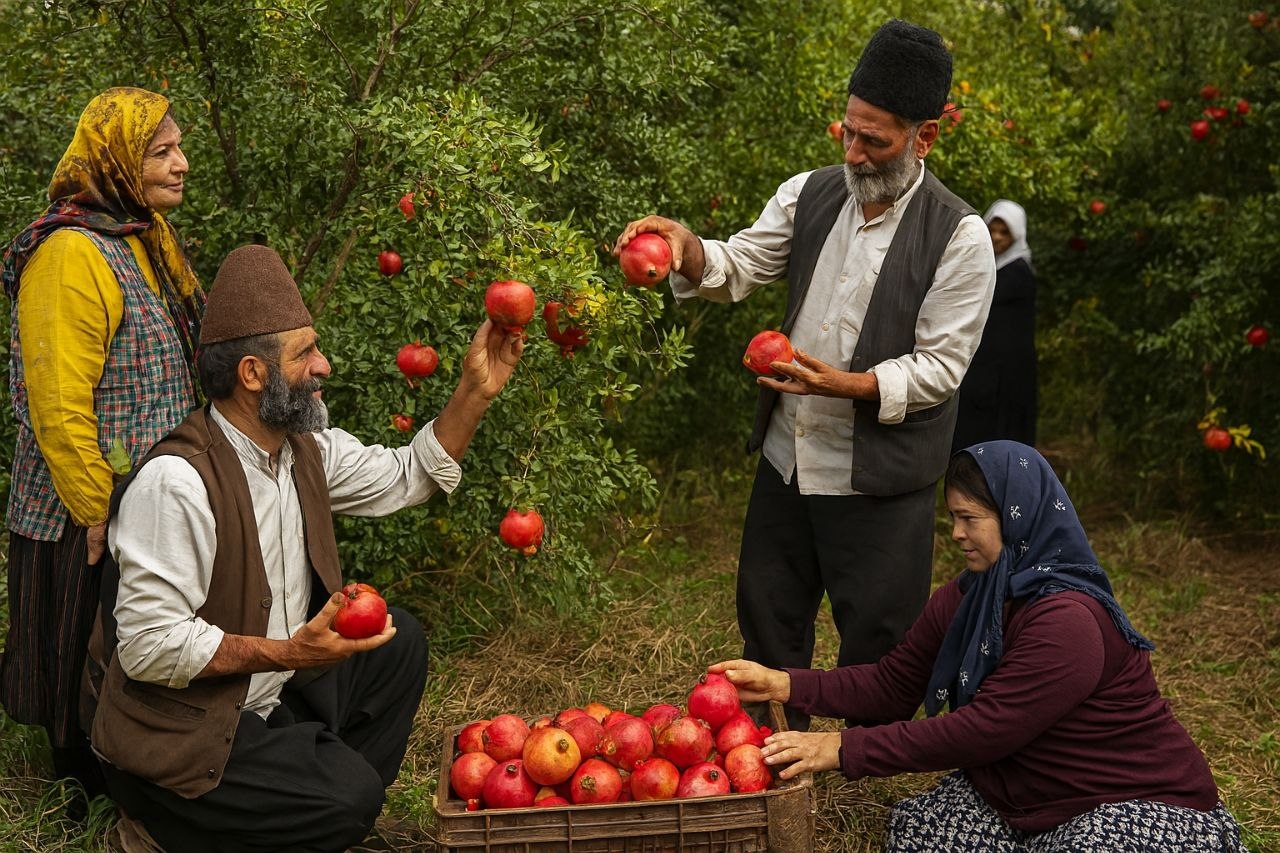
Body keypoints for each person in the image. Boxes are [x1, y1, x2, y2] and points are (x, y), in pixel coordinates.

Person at [614, 20, 995, 729]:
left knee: (879, 637)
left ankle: (861, 757)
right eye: (846, 132)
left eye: (874, 140)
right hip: (790, 457)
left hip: (880, 473)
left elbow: (941, 367)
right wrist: (687, 247)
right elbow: (739, 265)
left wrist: (845, 386)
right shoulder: (811, 193)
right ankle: (767, 748)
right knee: (769, 611)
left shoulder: (960, 236)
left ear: (926, 137)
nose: (853, 152)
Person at [86, 244, 524, 852]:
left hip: (269, 695)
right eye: (305, 353)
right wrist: (289, 650)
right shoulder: (178, 483)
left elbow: (408, 475)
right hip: (186, 734)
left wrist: (475, 391)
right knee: (350, 798)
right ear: (252, 374)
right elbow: (147, 648)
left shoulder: (303, 451)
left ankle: (304, 809)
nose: (324, 365)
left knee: (400, 644)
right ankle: (164, 828)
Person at [709, 441, 1249, 852]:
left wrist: (844, 750)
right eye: (953, 518)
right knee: (918, 831)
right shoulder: (972, 594)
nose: (958, 534)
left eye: (972, 519)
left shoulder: (1068, 621)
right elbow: (894, 683)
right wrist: (786, 683)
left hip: (1128, 800)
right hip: (1028, 797)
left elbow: (986, 730)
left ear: (1019, 519)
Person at [0, 86, 203, 802]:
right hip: (83, 503)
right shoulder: (68, 255)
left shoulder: (141, 239)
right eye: (162, 151)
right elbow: (57, 400)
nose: (181, 163)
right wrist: (95, 506)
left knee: (131, 648)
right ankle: (76, 794)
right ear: (116, 159)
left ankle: (132, 768)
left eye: (178, 148)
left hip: (146, 493)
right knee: (80, 646)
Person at [951, 199, 1037, 452]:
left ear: (1017, 235)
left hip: (1006, 374)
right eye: (992, 229)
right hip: (983, 367)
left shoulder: (1018, 273)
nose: (996, 237)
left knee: (998, 436)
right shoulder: (989, 267)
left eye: (1004, 232)